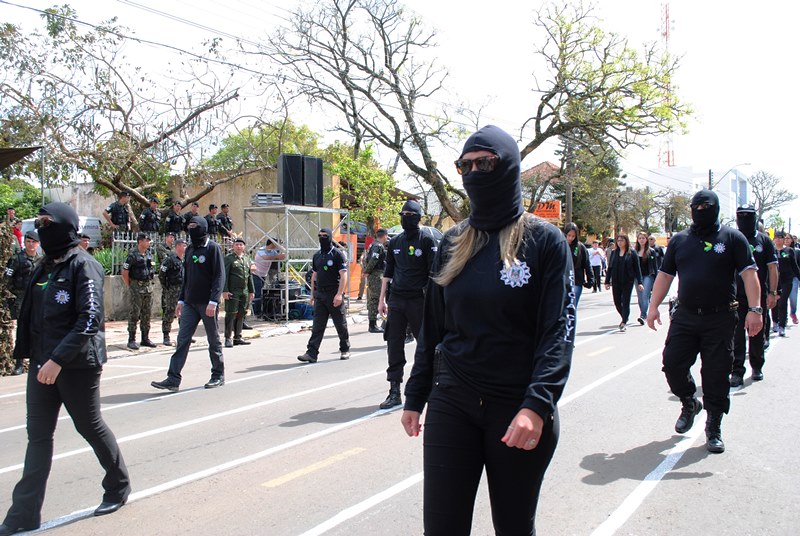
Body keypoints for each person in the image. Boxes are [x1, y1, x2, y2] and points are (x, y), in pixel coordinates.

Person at [401, 125, 573, 536]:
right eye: (466, 166)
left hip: (516, 407)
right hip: (452, 400)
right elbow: (432, 329)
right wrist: (415, 394)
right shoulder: (452, 242)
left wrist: (537, 405)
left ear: (509, 166)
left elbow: (558, 332)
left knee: (513, 528)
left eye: (486, 163)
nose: (474, 173)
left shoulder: (545, 242)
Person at [0, 203, 130, 535]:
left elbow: (89, 319)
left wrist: (57, 360)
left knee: (89, 426)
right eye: (39, 223)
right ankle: (23, 514)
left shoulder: (84, 266)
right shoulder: (43, 267)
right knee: (38, 437)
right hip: (42, 364)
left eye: (48, 223)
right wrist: (32, 357)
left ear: (66, 227)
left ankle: (118, 485)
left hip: (76, 364)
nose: (42, 229)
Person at [647, 189, 762, 454]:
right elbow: (665, 275)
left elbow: (749, 275)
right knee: (672, 364)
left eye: (706, 207)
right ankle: (689, 402)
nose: (700, 211)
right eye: (696, 207)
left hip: (720, 317)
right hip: (685, 316)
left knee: (716, 374)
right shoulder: (680, 240)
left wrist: (755, 309)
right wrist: (652, 307)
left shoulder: (732, 238)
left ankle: (714, 427)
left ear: (716, 208)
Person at [151, 215, 225, 391]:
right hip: (190, 303)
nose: (191, 229)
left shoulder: (212, 248)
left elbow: (219, 276)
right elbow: (187, 277)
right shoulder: (190, 249)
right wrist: (181, 299)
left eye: (195, 226)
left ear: (203, 228)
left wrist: (214, 301)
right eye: (189, 226)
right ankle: (173, 378)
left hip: (207, 303)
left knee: (213, 339)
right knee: (182, 340)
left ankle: (218, 374)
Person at [377, 200, 437, 409]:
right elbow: (388, 272)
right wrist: (381, 299)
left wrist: (434, 303)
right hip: (397, 299)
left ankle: (431, 387)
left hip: (419, 300)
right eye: (402, 214)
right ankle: (394, 391)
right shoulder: (395, 242)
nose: (405, 217)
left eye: (409, 214)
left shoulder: (426, 240)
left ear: (418, 217)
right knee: (394, 344)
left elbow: (434, 274)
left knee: (425, 344)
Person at [730, 206, 778, 388]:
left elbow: (772, 268)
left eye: (748, 216)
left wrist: (773, 292)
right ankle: (736, 371)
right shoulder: (732, 238)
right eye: (740, 216)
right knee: (736, 334)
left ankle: (757, 366)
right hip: (736, 295)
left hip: (758, 296)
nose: (744, 219)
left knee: (756, 332)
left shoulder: (764, 241)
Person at [297, 228, 351, 363]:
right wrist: (312, 294)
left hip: (334, 293)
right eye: (320, 235)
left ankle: (345, 349)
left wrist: (339, 294)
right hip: (320, 294)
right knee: (317, 326)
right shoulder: (317, 255)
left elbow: (344, 275)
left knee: (340, 324)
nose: (322, 238)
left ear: (330, 237)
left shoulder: (337, 254)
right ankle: (311, 353)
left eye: (325, 236)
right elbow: (314, 275)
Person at [4, 230, 42, 376]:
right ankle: (19, 364)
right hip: (21, 298)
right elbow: (7, 280)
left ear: (38, 244)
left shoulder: (41, 260)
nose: (31, 244)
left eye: (33, 242)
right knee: (21, 330)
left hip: (37, 299)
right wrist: (17, 294)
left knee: (38, 329)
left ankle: (36, 359)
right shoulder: (16, 259)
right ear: (24, 242)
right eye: (28, 242)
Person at [121, 233, 157, 350]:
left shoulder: (148, 254)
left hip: (148, 287)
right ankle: (131, 339)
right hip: (137, 287)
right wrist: (131, 286)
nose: (149, 242)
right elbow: (125, 272)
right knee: (134, 314)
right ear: (140, 241)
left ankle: (145, 338)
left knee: (147, 313)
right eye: (147, 240)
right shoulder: (132, 255)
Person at [604, 234, 643, 331]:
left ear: (626, 241)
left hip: (628, 281)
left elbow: (637, 268)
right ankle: (625, 316)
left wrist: (640, 282)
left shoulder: (632, 253)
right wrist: (607, 281)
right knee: (617, 302)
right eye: (618, 240)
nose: (620, 242)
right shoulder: (614, 253)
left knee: (625, 302)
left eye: (622, 240)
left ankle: (624, 321)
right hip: (616, 281)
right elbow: (610, 267)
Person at [223, 237, 255, 347]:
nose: (239, 246)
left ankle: (238, 337)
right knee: (231, 313)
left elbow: (249, 275)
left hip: (244, 291)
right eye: (236, 244)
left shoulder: (246, 258)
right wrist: (225, 290)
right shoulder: (229, 259)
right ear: (233, 246)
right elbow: (225, 275)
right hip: (233, 291)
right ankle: (228, 338)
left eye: (241, 245)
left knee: (241, 313)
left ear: (244, 247)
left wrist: (251, 290)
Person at [771, 231, 800, 337]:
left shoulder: (789, 251)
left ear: (784, 239)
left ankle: (782, 326)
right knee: (775, 301)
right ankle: (775, 322)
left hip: (787, 280)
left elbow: (795, 266)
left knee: (782, 302)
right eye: (776, 237)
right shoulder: (771, 250)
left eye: (781, 237)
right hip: (774, 280)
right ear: (774, 239)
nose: (778, 239)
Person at [159, 238, 187, 347]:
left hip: (183, 289)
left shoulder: (184, 259)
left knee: (184, 312)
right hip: (172, 289)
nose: (185, 247)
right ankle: (166, 336)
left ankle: (184, 335)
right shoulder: (170, 259)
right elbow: (162, 274)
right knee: (170, 311)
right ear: (178, 246)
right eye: (183, 245)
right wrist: (166, 287)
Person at [252, 238, 286, 319]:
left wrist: (282, 249)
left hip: (264, 274)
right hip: (256, 274)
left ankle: (261, 311)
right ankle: (256, 312)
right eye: (275, 244)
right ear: (271, 244)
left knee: (262, 293)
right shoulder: (262, 250)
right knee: (257, 293)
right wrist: (277, 256)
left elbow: (282, 257)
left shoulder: (273, 252)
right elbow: (266, 258)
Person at [364, 228, 389, 333]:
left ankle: (381, 322)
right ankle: (373, 325)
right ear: (385, 236)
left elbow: (366, 259)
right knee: (376, 299)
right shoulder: (378, 246)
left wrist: (366, 270)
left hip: (374, 274)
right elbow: (373, 259)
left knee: (375, 298)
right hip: (377, 274)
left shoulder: (373, 245)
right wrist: (367, 271)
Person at [563, 222, 593, 306]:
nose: (570, 238)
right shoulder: (560, 245)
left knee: (572, 306)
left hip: (576, 281)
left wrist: (590, 279)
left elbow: (586, 264)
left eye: (573, 236)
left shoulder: (580, 247)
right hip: (562, 281)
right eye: (569, 235)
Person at [634, 231, 659, 325]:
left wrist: (656, 278)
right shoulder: (634, 251)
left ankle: (643, 315)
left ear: (646, 239)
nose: (641, 240)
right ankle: (643, 312)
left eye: (643, 238)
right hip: (637, 277)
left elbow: (655, 266)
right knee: (640, 297)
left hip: (648, 275)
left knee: (645, 295)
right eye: (639, 238)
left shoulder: (651, 251)